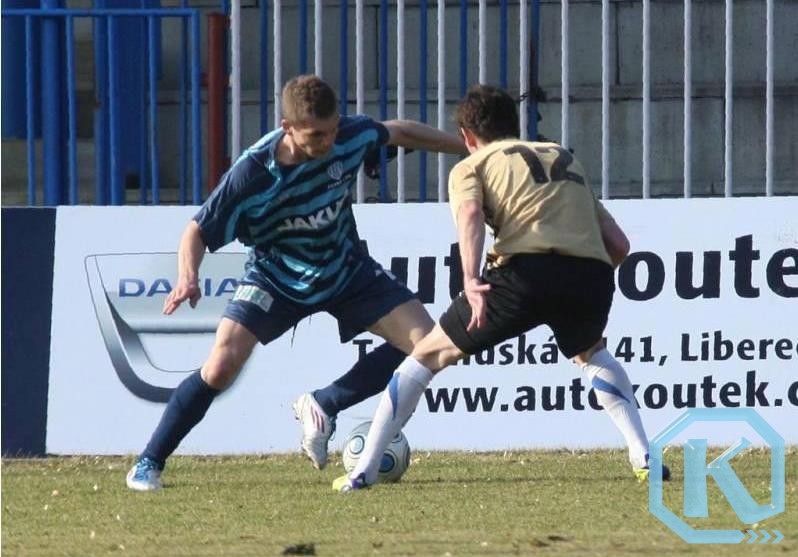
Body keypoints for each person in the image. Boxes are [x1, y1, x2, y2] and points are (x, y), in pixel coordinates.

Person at [126, 75, 467, 491]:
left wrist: (469, 147)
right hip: (275, 277)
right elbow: (196, 230)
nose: (328, 142)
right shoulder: (252, 174)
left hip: (346, 269)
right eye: (316, 135)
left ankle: (324, 403)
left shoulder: (348, 136)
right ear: (287, 127)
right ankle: (148, 462)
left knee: (430, 344)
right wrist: (188, 276)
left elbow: (400, 131)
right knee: (220, 366)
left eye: (332, 130)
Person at [334, 84, 670, 492]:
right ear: (514, 124)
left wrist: (471, 279)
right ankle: (644, 456)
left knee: (425, 356)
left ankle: (364, 472)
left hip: (524, 274)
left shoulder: (471, 166)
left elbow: (470, 213)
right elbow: (619, 245)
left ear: (467, 136)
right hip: (592, 274)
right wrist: (584, 281)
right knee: (592, 353)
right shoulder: (561, 155)